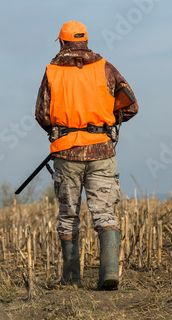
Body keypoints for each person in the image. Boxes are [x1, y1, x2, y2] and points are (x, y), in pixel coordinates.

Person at [35, 21, 138, 290]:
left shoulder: (52, 72)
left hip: (67, 153)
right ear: (85, 41)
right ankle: (109, 273)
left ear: (61, 42)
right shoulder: (105, 67)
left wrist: (61, 130)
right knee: (105, 213)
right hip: (102, 151)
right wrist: (108, 121)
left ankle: (71, 279)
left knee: (68, 215)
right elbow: (132, 105)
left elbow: (42, 115)